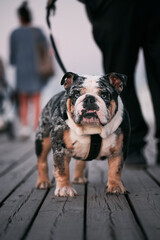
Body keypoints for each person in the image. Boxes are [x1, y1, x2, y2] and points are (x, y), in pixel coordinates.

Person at [48, 0, 160, 164]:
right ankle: (131, 142)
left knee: (119, 77)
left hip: (113, 7)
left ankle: (133, 144)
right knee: (119, 80)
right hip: (115, 6)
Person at [10, 1, 50, 139]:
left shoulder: (14, 33)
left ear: (20, 18)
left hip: (22, 70)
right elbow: (47, 50)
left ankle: (24, 127)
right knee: (37, 99)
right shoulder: (38, 31)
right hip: (36, 70)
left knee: (23, 100)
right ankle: (37, 127)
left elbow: (12, 58)